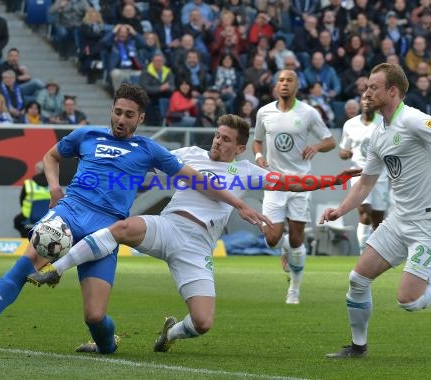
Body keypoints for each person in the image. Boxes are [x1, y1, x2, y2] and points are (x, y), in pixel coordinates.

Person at [0, 83, 269, 354]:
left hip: (105, 231)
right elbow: (51, 156)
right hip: (69, 213)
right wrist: (53, 187)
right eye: (117, 111)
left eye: (129, 115)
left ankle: (106, 345)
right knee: (24, 266)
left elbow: (200, 180)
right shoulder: (86, 135)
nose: (121, 119)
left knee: (94, 316)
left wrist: (237, 204)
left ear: (140, 118)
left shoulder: (148, 149)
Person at [27, 114, 360, 353]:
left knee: (202, 323)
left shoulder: (246, 172)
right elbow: (145, 163)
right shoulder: (189, 156)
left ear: (240, 148)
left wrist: (334, 180)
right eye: (217, 134)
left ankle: (170, 334)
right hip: (169, 226)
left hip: (198, 248)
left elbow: (292, 182)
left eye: (226, 139)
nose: (217, 141)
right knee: (123, 228)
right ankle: (55, 269)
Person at [320, 63, 431, 358]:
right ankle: (358, 347)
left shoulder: (414, 119)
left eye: (373, 87)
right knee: (357, 280)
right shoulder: (379, 133)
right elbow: (365, 183)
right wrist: (340, 210)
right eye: (367, 86)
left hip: (428, 222)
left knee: (409, 301)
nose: (366, 92)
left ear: (392, 91)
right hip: (398, 219)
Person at [253, 69, 336, 305]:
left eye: (289, 80)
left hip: (300, 183)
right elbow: (257, 141)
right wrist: (259, 156)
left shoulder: (308, 113)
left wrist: (317, 147)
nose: (284, 84)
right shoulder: (264, 112)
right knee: (271, 238)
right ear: (276, 86)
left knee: (298, 239)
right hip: (275, 182)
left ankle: (294, 290)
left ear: (297, 86)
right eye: (280, 80)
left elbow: (330, 141)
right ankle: (283, 248)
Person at [339, 97, 389, 254]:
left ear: (376, 103)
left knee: (378, 220)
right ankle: (362, 253)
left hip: (380, 176)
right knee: (365, 214)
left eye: (370, 99)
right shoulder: (350, 124)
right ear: (361, 103)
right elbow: (342, 151)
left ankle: (375, 253)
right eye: (364, 99)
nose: (367, 102)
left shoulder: (385, 123)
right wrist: (345, 153)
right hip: (359, 175)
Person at [13, 161, 50, 238]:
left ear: (37, 170)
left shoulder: (29, 184)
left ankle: (26, 239)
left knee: (17, 222)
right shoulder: (53, 184)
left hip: (30, 218)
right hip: (48, 218)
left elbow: (22, 200)